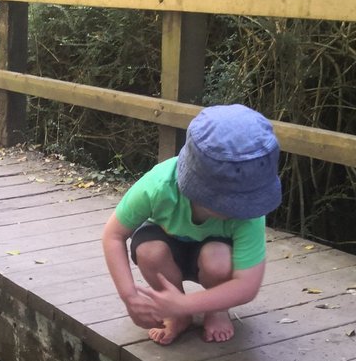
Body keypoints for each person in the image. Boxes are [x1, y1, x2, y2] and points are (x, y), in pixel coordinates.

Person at [101, 104, 281, 345]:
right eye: (233, 204)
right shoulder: (158, 185)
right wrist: (129, 296)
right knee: (149, 251)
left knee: (217, 259)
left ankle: (216, 309)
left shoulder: (249, 214)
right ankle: (179, 317)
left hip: (214, 255)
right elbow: (113, 235)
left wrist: (185, 303)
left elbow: (247, 285)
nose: (240, 210)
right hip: (167, 245)